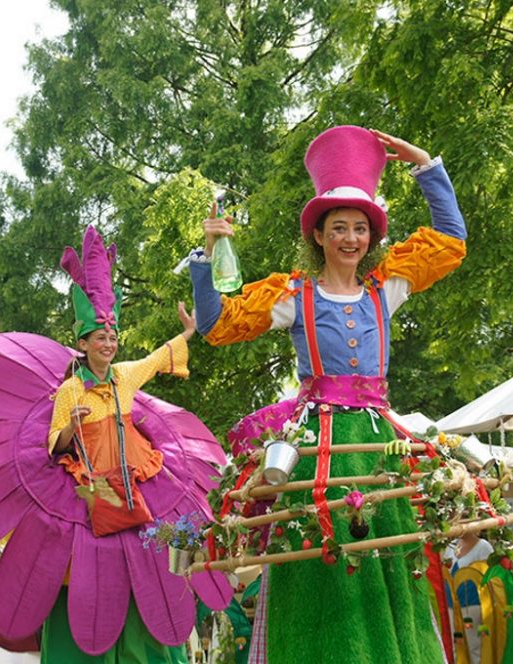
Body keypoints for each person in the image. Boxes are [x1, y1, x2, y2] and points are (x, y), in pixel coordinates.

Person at [190, 126, 468, 663]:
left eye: (360, 228)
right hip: (320, 445)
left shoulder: (387, 288)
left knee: (389, 552)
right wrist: (207, 255)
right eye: (338, 227)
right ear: (319, 235)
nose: (350, 238)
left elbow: (451, 241)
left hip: (378, 443)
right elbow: (214, 324)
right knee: (321, 556)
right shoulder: (294, 296)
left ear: (371, 237)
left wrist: (427, 166)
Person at [43, 225, 200, 663]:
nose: (109, 345)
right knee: (94, 569)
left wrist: (187, 334)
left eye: (112, 338)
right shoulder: (70, 391)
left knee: (150, 559)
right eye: (100, 339)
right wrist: (72, 427)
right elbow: (55, 445)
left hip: (140, 482)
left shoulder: (125, 376)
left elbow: (154, 360)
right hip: (93, 491)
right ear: (83, 343)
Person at [445, 532, 494, 664]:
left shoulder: (483, 547)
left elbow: (490, 577)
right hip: (451, 604)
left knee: (475, 646)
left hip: (473, 604)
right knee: (456, 646)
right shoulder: (451, 546)